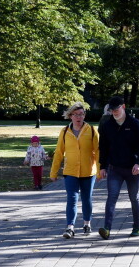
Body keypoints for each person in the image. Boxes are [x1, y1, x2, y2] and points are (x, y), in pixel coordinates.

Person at [97, 96, 139, 240]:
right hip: (115, 168)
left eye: (117, 109)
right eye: (112, 110)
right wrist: (102, 166)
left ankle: (136, 227)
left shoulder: (135, 123)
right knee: (111, 197)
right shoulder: (107, 125)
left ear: (123, 107)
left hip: (132, 168)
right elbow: (103, 147)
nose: (115, 112)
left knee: (134, 197)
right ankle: (106, 228)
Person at [50, 102, 99, 239]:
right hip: (70, 171)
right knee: (71, 199)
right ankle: (70, 227)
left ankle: (87, 223)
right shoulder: (65, 131)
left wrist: (100, 169)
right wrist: (53, 172)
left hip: (88, 171)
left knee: (86, 198)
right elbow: (59, 152)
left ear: (84, 115)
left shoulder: (92, 130)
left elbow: (98, 151)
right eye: (76, 114)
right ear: (70, 116)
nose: (79, 117)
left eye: (81, 114)